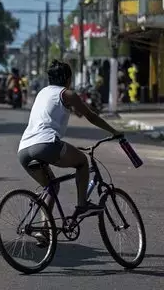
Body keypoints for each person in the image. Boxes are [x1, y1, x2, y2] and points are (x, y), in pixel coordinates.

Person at [18, 60, 122, 234]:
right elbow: (91, 116)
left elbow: (56, 110)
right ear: (68, 78)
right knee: (82, 162)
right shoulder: (68, 94)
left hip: (24, 149)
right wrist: (115, 131)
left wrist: (75, 109)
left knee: (51, 186)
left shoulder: (43, 92)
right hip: (46, 144)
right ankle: (82, 205)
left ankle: (44, 231)